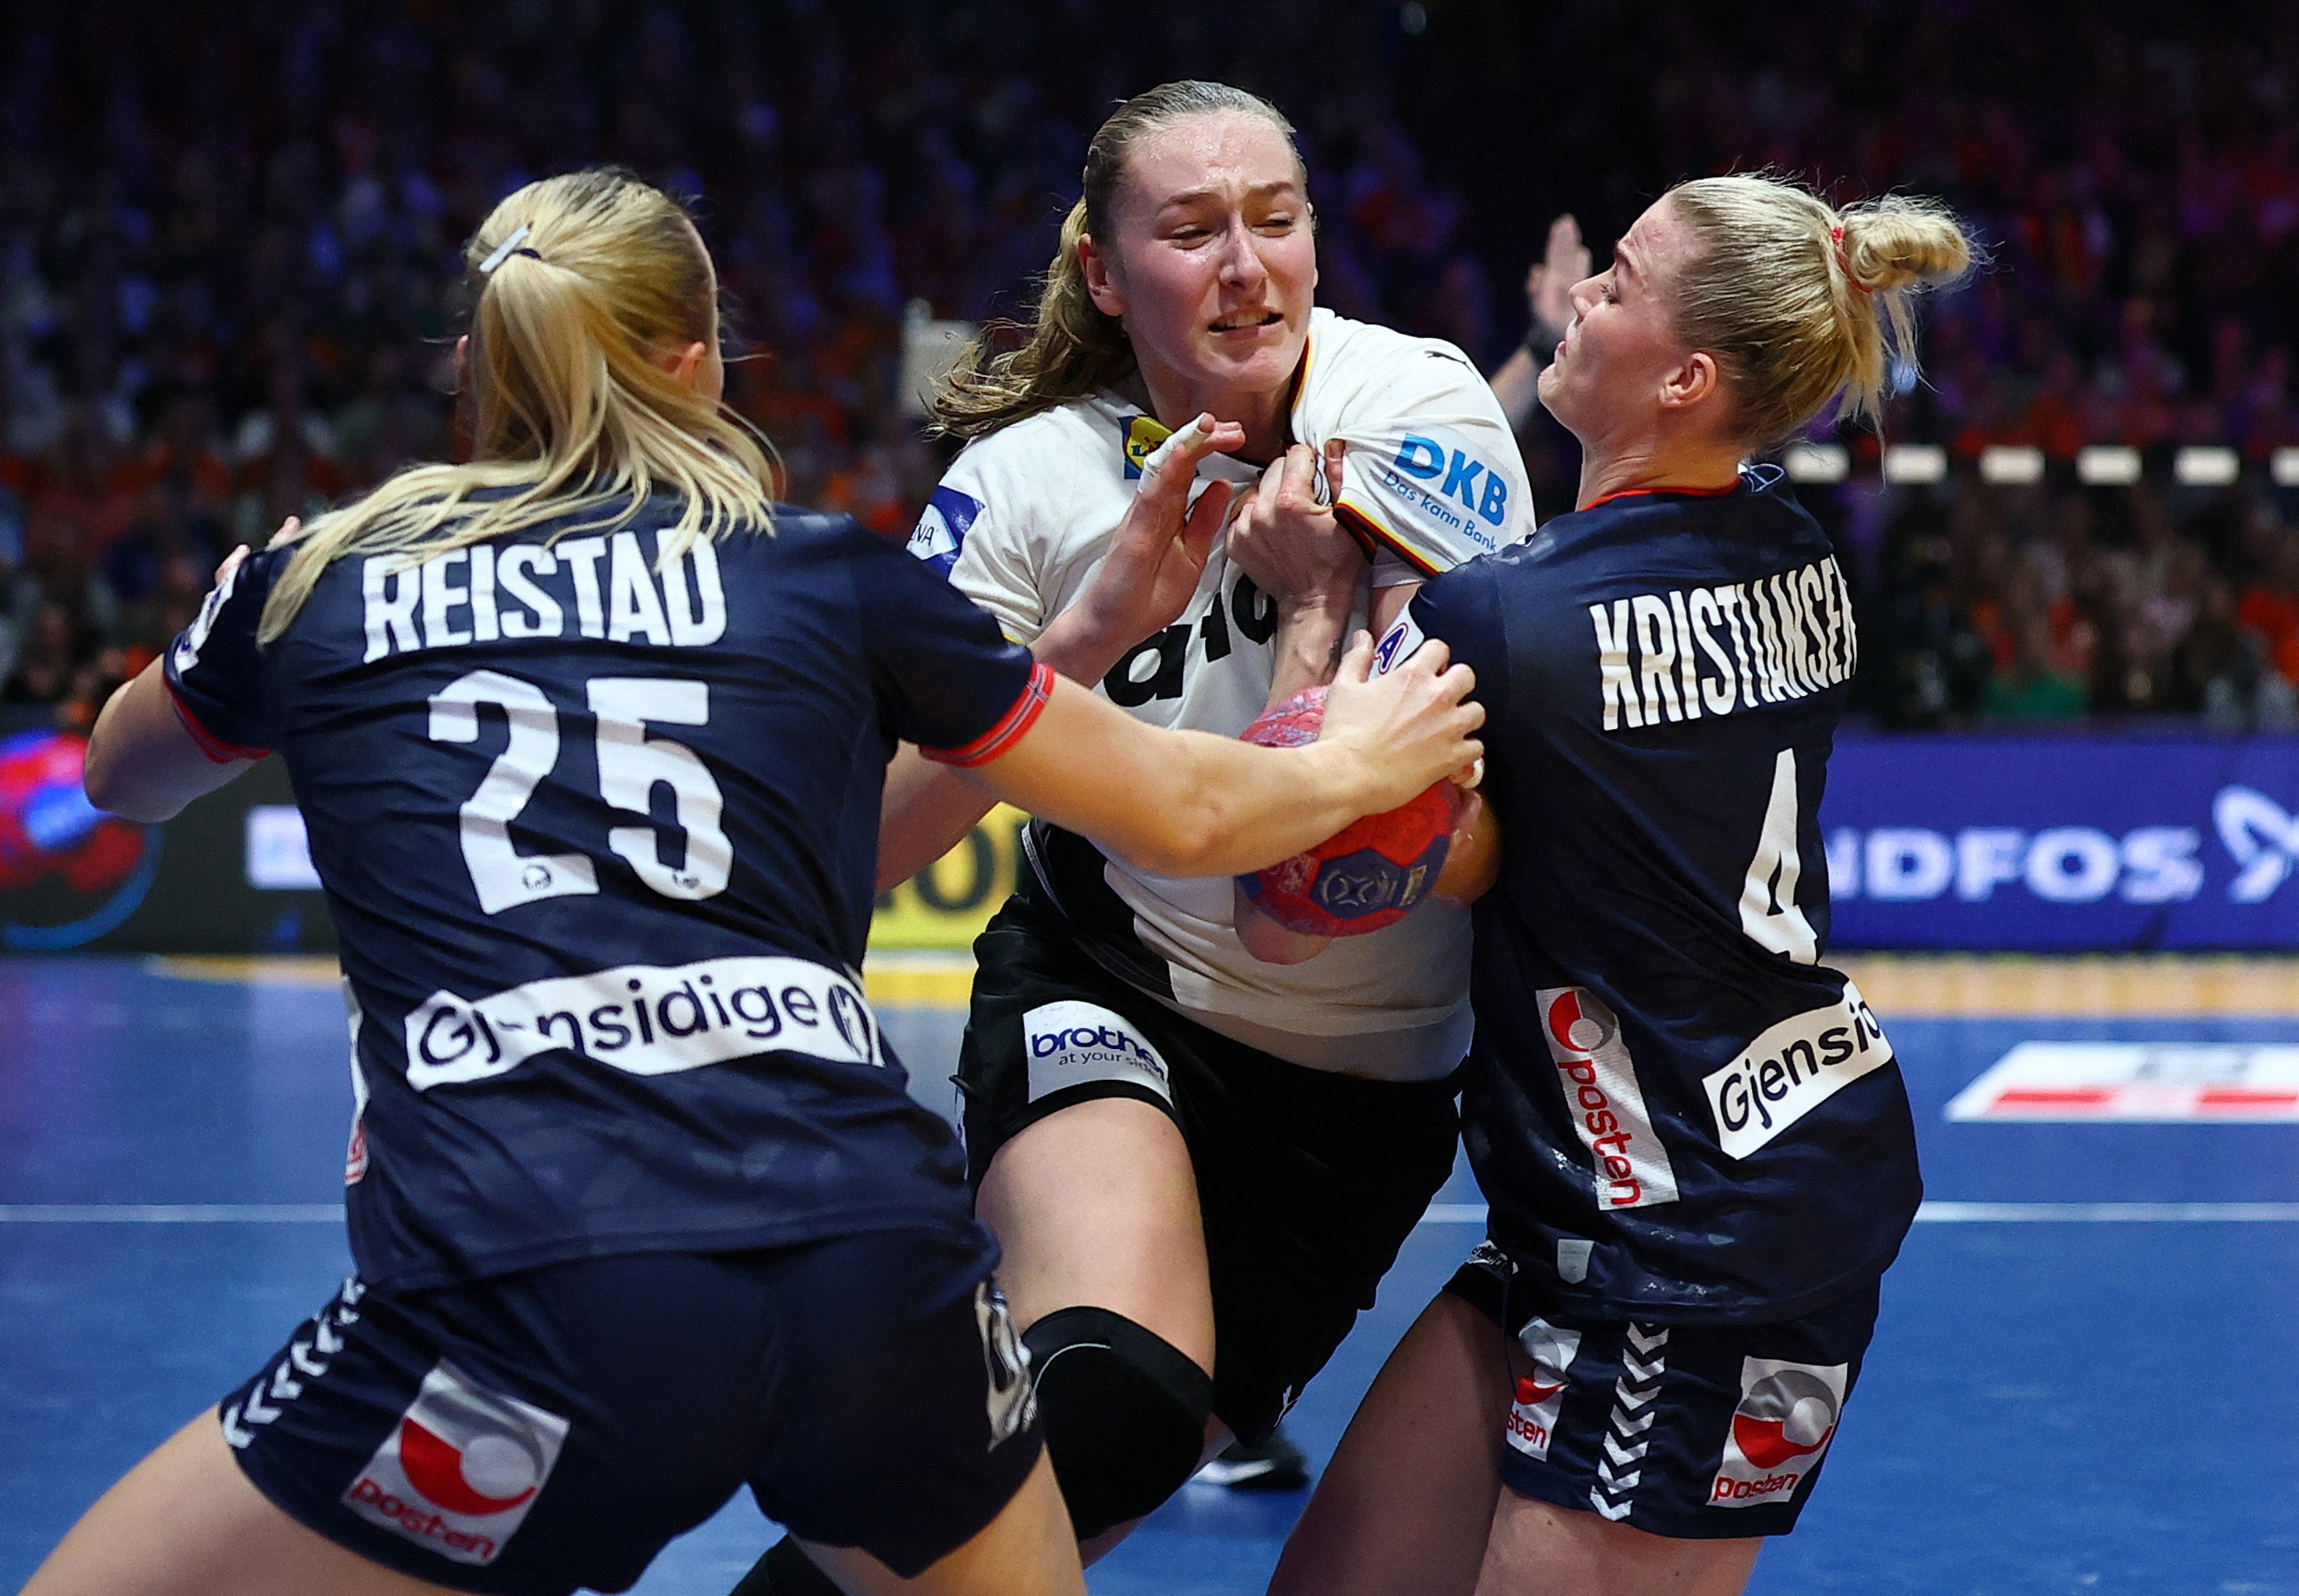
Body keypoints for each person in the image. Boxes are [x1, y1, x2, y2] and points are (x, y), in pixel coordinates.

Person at [27, 167, 1483, 1596]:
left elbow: (121, 777)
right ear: (698, 356)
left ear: (473, 366)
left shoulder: (316, 586)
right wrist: (1359, 757)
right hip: (868, 1276)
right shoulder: (819, 577)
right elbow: (1182, 806)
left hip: (531, 1282)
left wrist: (246, 629)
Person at [736, 78, 1536, 1594]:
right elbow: (862, 852)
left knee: (1071, 1490)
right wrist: (1081, 644)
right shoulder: (1026, 483)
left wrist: (1310, 606)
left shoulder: (1415, 413)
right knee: (1111, 1400)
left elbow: (1330, 876)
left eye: (1275, 220)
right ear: (1105, 276)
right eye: (1189, 231)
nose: (1245, 264)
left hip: (1360, 1095)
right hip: (1113, 990)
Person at [1268, 175, 1975, 1596]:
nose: (1584, 290)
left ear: (1688, 375)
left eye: (1619, 281)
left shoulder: (1510, 616)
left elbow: (1297, 877)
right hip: (1634, 1189)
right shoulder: (1791, 547)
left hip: (1701, 1241)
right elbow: (1547, 789)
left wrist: (1308, 615)